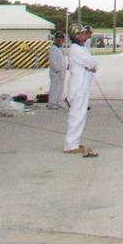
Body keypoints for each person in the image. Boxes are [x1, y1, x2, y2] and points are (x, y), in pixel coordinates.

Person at [64, 26, 98, 156]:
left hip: (81, 86)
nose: (85, 35)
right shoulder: (77, 50)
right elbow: (92, 63)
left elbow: (91, 62)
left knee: (80, 115)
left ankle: (74, 142)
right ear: (77, 36)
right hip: (78, 87)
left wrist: (89, 33)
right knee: (77, 116)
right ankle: (71, 145)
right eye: (83, 33)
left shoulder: (80, 47)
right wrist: (93, 66)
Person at [47, 32, 67, 109]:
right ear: (55, 40)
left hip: (61, 72)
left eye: (62, 40)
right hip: (56, 72)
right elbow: (52, 61)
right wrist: (57, 70)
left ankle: (58, 101)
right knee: (54, 88)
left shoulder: (60, 48)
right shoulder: (53, 48)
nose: (60, 41)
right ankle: (52, 103)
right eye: (58, 40)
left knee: (60, 87)